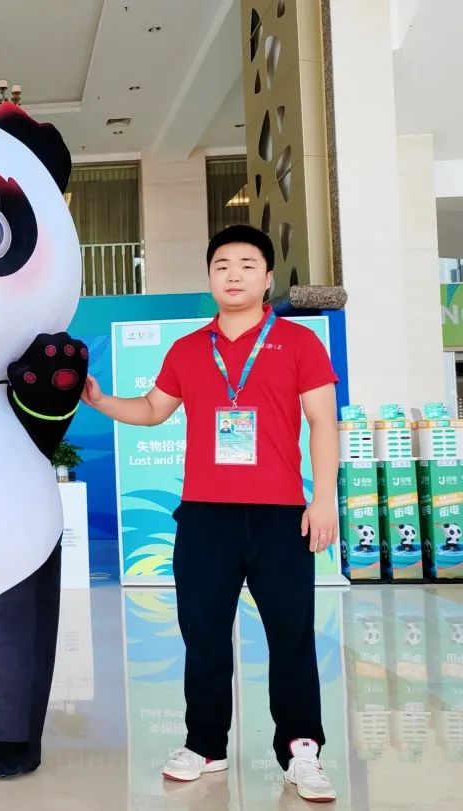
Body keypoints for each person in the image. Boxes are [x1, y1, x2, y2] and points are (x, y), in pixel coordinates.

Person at [82, 224, 339, 803]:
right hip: (204, 516)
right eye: (222, 265)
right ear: (209, 277)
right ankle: (204, 744)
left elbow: (323, 422)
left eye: (247, 265)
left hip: (281, 516)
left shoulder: (298, 343)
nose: (233, 274)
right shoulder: (189, 349)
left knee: (291, 634)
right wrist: (99, 401)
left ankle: (301, 750)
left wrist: (323, 499)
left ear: (268, 278)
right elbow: (152, 410)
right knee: (203, 635)